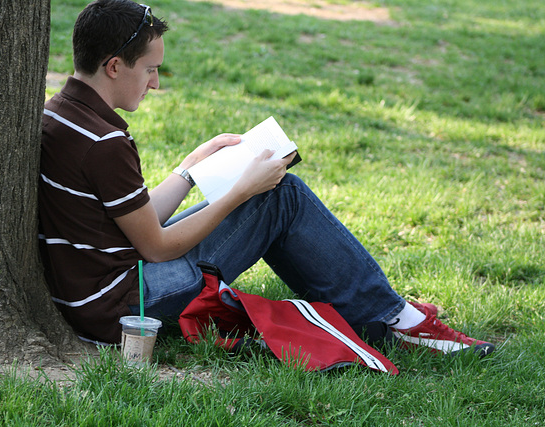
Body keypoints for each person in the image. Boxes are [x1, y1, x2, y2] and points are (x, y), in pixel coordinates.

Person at [38, 0, 494, 358]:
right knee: (282, 197)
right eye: (150, 69)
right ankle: (396, 321)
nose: (155, 83)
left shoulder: (61, 114)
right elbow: (155, 245)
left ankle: (381, 313)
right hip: (126, 305)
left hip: (93, 296)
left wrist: (191, 167)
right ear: (115, 66)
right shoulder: (106, 142)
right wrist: (240, 192)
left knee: (273, 195)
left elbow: (131, 221)